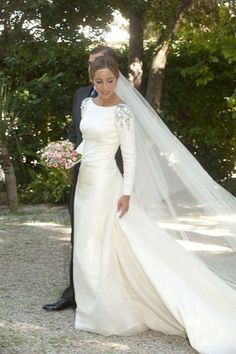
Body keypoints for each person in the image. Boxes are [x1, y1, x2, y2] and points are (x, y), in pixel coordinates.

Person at [73, 55, 236, 353]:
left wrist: (126, 192)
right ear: (91, 80)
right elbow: (87, 143)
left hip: (107, 183)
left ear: (117, 78)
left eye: (110, 80)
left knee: (105, 244)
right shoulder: (87, 105)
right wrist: (66, 156)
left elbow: (131, 155)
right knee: (85, 244)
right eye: (99, 81)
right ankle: (89, 308)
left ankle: (109, 312)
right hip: (84, 184)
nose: (105, 86)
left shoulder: (122, 112)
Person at [43, 46, 122, 311]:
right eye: (92, 65)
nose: (95, 69)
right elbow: (75, 132)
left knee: (111, 237)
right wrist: (65, 155)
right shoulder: (81, 96)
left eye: (100, 63)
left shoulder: (122, 99)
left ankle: (108, 296)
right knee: (80, 235)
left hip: (110, 177)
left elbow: (131, 147)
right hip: (82, 175)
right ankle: (74, 294)